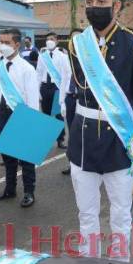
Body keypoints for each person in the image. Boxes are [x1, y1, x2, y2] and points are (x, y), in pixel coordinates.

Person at [68, 0, 133, 258]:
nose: (94, 8)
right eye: (89, 2)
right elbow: (75, 89)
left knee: (120, 214)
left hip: (119, 138)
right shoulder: (76, 44)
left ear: (116, 6)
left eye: (101, 2)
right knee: (86, 214)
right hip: (83, 139)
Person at [0, 28, 41, 207]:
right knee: (7, 155)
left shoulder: (27, 68)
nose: (2, 45)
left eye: (7, 42)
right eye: (0, 41)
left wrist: (32, 122)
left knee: (25, 157)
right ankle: (10, 189)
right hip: (3, 112)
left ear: (17, 44)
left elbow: (32, 98)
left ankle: (29, 192)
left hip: (22, 114)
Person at [36, 32, 71, 150]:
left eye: (51, 39)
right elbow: (38, 73)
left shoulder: (62, 56)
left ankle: (61, 139)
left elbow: (67, 74)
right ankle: (46, 140)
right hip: (45, 87)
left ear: (57, 41)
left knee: (57, 115)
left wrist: (65, 91)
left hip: (57, 88)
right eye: (47, 39)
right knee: (45, 115)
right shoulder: (42, 56)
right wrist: (37, 90)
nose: (48, 41)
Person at [61, 28, 84, 176]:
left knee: (86, 133)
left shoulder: (90, 58)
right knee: (72, 133)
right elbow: (63, 81)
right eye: (73, 38)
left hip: (84, 101)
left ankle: (87, 163)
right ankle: (73, 164)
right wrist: (62, 101)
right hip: (70, 98)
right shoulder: (65, 58)